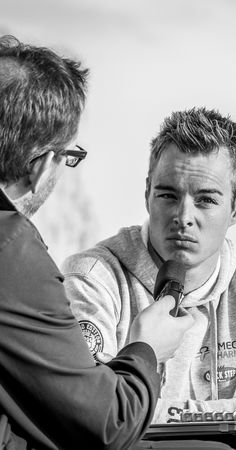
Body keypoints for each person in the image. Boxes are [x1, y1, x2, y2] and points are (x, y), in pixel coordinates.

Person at [63, 107, 236, 424]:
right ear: (147, 194)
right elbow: (95, 412)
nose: (184, 217)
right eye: (168, 195)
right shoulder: (92, 277)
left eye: (206, 200)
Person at [0, 35, 193, 449]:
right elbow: (110, 425)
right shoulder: (11, 251)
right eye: (69, 157)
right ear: (43, 164)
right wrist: (146, 348)